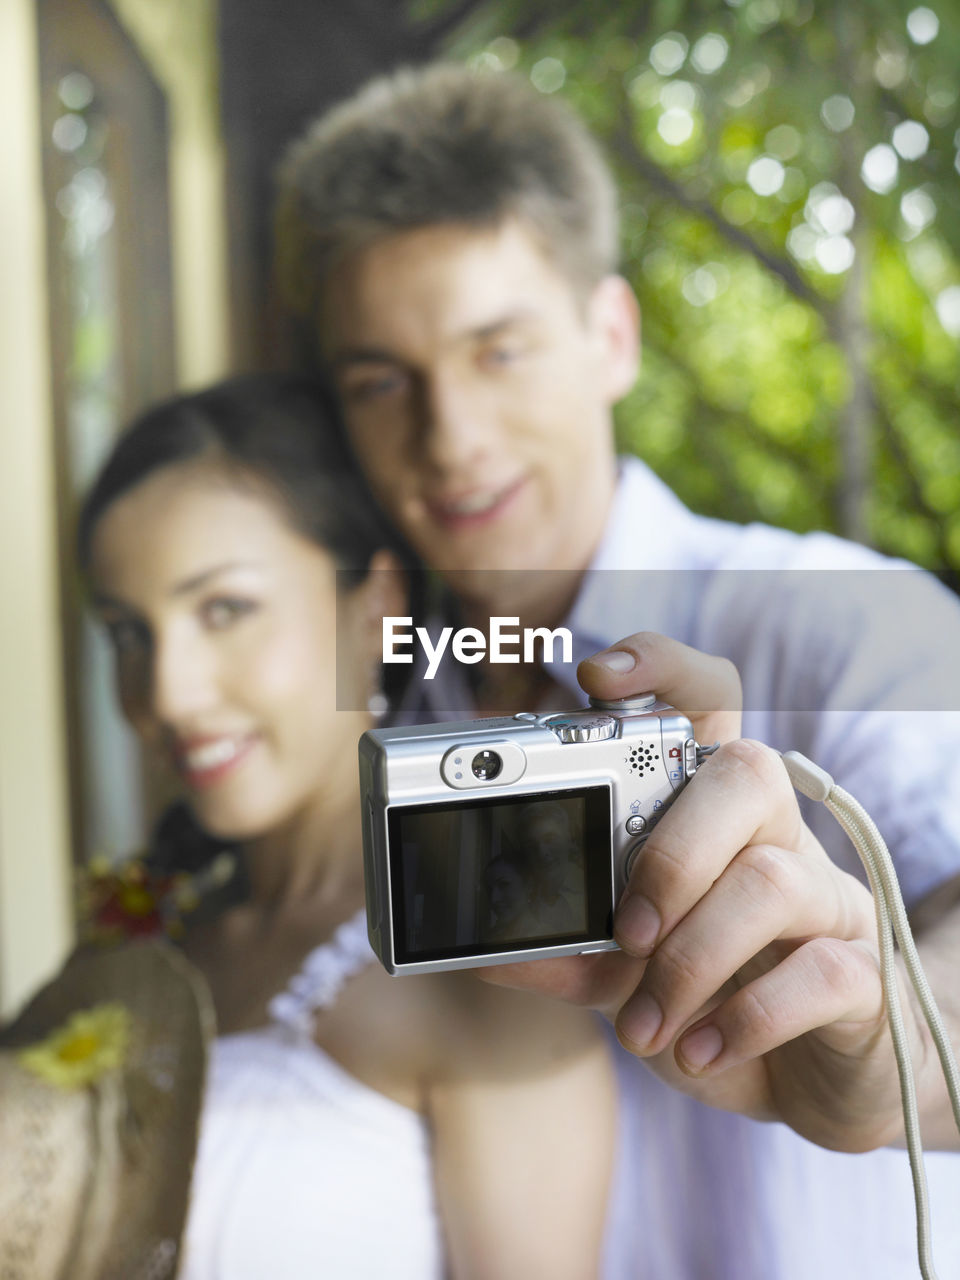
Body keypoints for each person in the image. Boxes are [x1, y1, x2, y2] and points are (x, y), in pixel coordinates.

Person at [274, 63, 960, 1276]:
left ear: (611, 335)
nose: (452, 437)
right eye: (382, 381)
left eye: (499, 349)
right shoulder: (394, 708)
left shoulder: (843, 620)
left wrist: (884, 1040)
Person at [77, 372, 616, 1278]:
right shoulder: (133, 952)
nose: (166, 694)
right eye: (130, 634)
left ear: (377, 605)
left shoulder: (492, 967)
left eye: (225, 610)